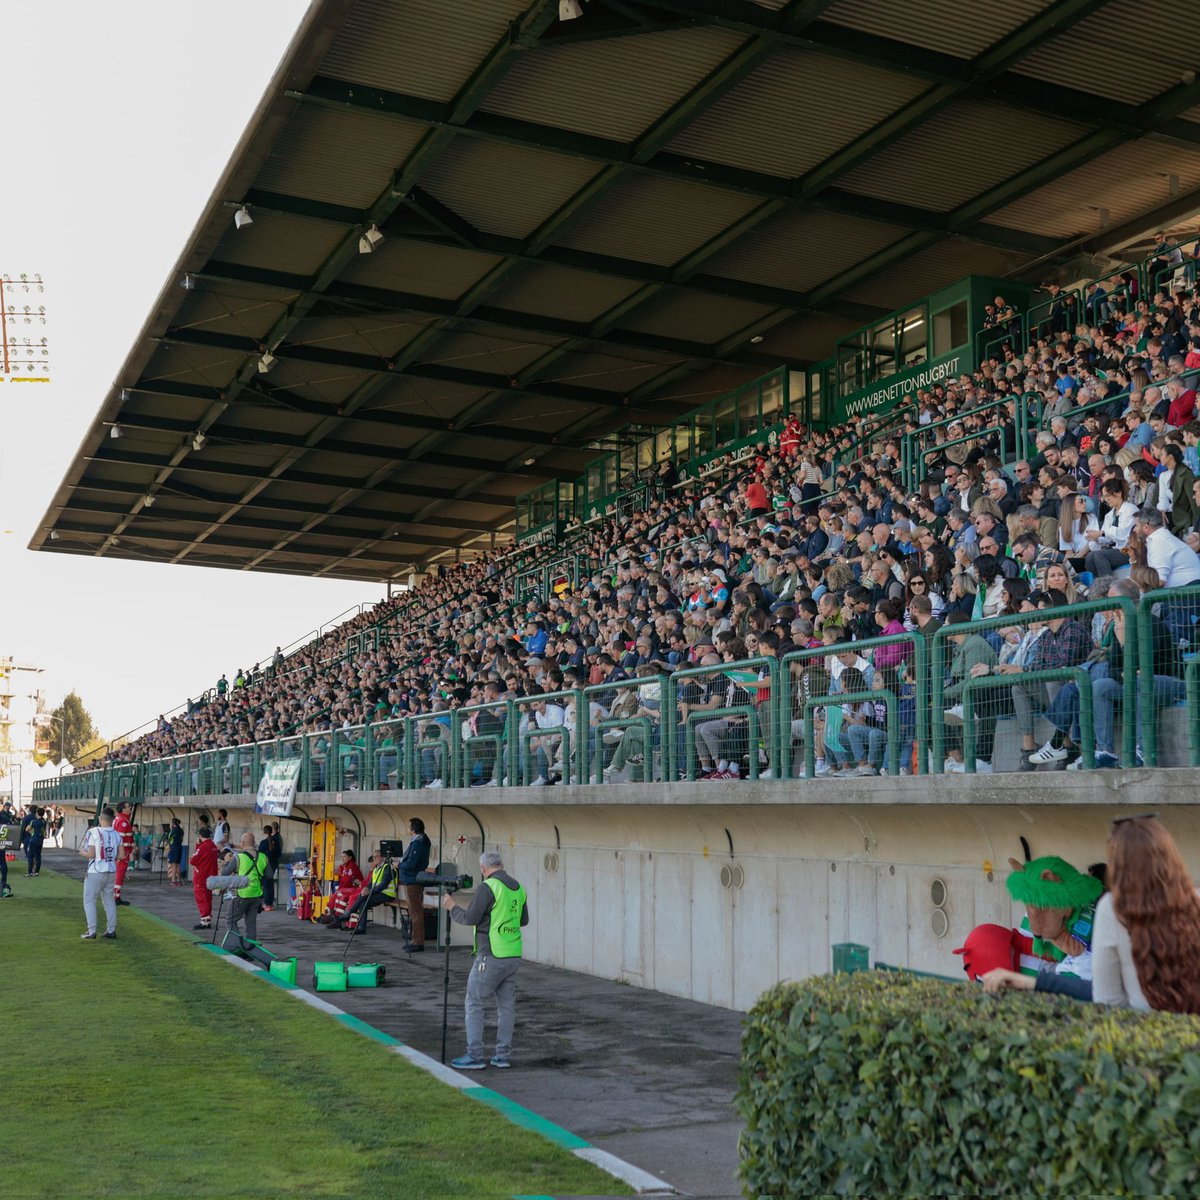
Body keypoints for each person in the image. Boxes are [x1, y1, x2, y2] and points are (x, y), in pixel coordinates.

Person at [1092, 814, 1200, 1012]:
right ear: (1169, 855)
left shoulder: (1111, 909)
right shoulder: (1196, 900)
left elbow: (1107, 1000)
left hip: (1147, 1034)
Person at [443, 851, 528, 1070]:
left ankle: (475, 1055)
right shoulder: (517, 887)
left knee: (474, 1003)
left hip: (490, 955)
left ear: (483, 868)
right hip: (512, 954)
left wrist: (452, 907)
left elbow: (470, 917)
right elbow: (523, 920)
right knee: (506, 1007)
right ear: (501, 864)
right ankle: (502, 1055)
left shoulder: (488, 887)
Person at [79, 808, 121, 939]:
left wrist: (82, 853)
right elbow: (122, 855)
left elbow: (91, 853)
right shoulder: (117, 834)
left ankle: (91, 930)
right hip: (111, 870)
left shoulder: (93, 831)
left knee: (89, 900)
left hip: (96, 871)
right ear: (112, 820)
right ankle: (111, 929)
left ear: (101, 819)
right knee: (109, 901)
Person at [220, 832, 269, 941]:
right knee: (251, 923)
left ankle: (238, 945)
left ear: (242, 843)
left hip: (241, 894)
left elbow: (225, 873)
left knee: (230, 920)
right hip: (256, 895)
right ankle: (251, 948)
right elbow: (269, 875)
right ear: (254, 843)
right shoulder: (263, 857)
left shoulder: (239, 857)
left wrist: (227, 862)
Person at [335, 850, 397, 932]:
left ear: (382, 857)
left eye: (376, 856)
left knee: (363, 897)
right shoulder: (376, 869)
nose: (374, 858)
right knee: (363, 902)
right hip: (378, 893)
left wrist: (369, 891)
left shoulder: (387, 867)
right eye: (373, 856)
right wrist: (366, 888)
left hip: (387, 894)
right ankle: (361, 928)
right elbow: (371, 883)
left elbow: (383, 885)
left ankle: (348, 914)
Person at [397, 818, 432, 952]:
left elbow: (411, 864)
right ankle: (414, 940)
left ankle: (418, 942)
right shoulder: (418, 841)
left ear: (413, 829)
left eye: (409, 827)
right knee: (413, 911)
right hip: (411, 879)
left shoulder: (418, 843)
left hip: (412, 880)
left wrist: (399, 864)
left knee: (416, 912)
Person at [189, 825, 219, 930]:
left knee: (202, 899)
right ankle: (207, 919)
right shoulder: (213, 845)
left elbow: (193, 860)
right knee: (207, 898)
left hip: (201, 876)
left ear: (200, 836)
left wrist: (197, 845)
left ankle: (205, 921)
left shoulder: (203, 847)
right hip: (211, 876)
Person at [112, 801, 135, 904]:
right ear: (123, 809)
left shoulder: (119, 819)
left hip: (122, 852)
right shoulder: (123, 821)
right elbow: (120, 839)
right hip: (123, 853)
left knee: (119, 874)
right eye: (128, 807)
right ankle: (116, 897)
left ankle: (116, 896)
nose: (130, 808)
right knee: (120, 874)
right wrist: (123, 853)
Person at [258, 822, 282, 911]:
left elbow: (260, 855)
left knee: (266, 885)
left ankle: (267, 904)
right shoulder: (276, 841)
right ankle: (270, 904)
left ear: (264, 832)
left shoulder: (263, 842)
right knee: (270, 885)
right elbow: (278, 854)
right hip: (273, 865)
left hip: (265, 865)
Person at [24, 806, 46, 877]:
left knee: (30, 855)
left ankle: (30, 872)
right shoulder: (44, 821)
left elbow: (27, 829)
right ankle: (36, 872)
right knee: (38, 856)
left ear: (37, 813)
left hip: (33, 840)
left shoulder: (34, 821)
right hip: (40, 840)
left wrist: (31, 831)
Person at [166, 817, 184, 886]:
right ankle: (179, 880)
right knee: (178, 864)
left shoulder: (173, 830)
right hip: (179, 847)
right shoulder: (181, 830)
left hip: (174, 848)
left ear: (173, 823)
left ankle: (173, 880)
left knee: (173, 865)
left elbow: (169, 838)